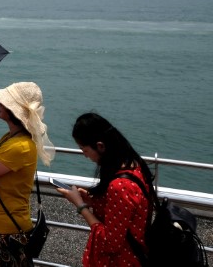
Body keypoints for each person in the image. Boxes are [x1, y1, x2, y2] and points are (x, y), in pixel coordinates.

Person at [0, 82, 54, 267]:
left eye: (5, 101)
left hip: (7, 230)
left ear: (14, 111)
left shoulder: (19, 146)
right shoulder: (10, 138)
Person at [56, 113, 153, 267]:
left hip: (122, 261)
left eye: (85, 150)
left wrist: (81, 207)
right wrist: (92, 200)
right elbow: (124, 212)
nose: (85, 156)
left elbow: (111, 243)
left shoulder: (120, 186)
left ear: (100, 146)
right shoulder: (133, 165)